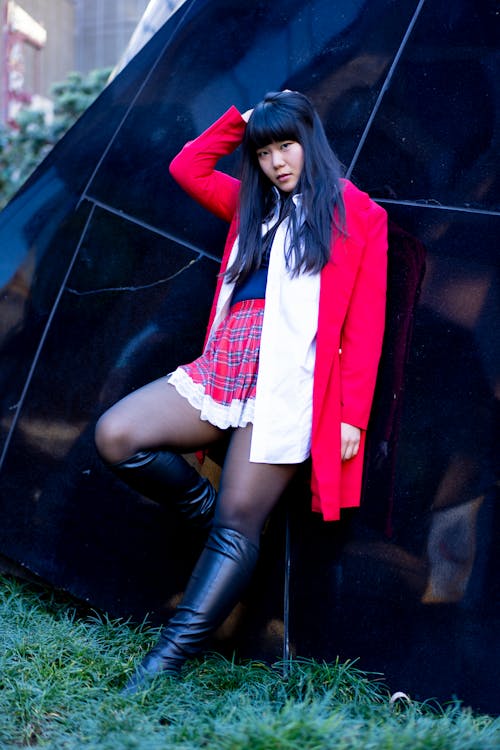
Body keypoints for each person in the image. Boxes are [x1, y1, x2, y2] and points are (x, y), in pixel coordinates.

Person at [94, 90, 388, 692]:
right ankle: (207, 519)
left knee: (240, 522)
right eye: (265, 152)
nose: (278, 161)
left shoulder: (359, 215)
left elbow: (366, 325)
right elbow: (187, 168)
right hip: (223, 369)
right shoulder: (252, 207)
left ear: (311, 141)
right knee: (117, 435)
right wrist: (244, 123)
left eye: (287, 146)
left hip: (289, 387)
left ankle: (162, 664)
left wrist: (351, 416)